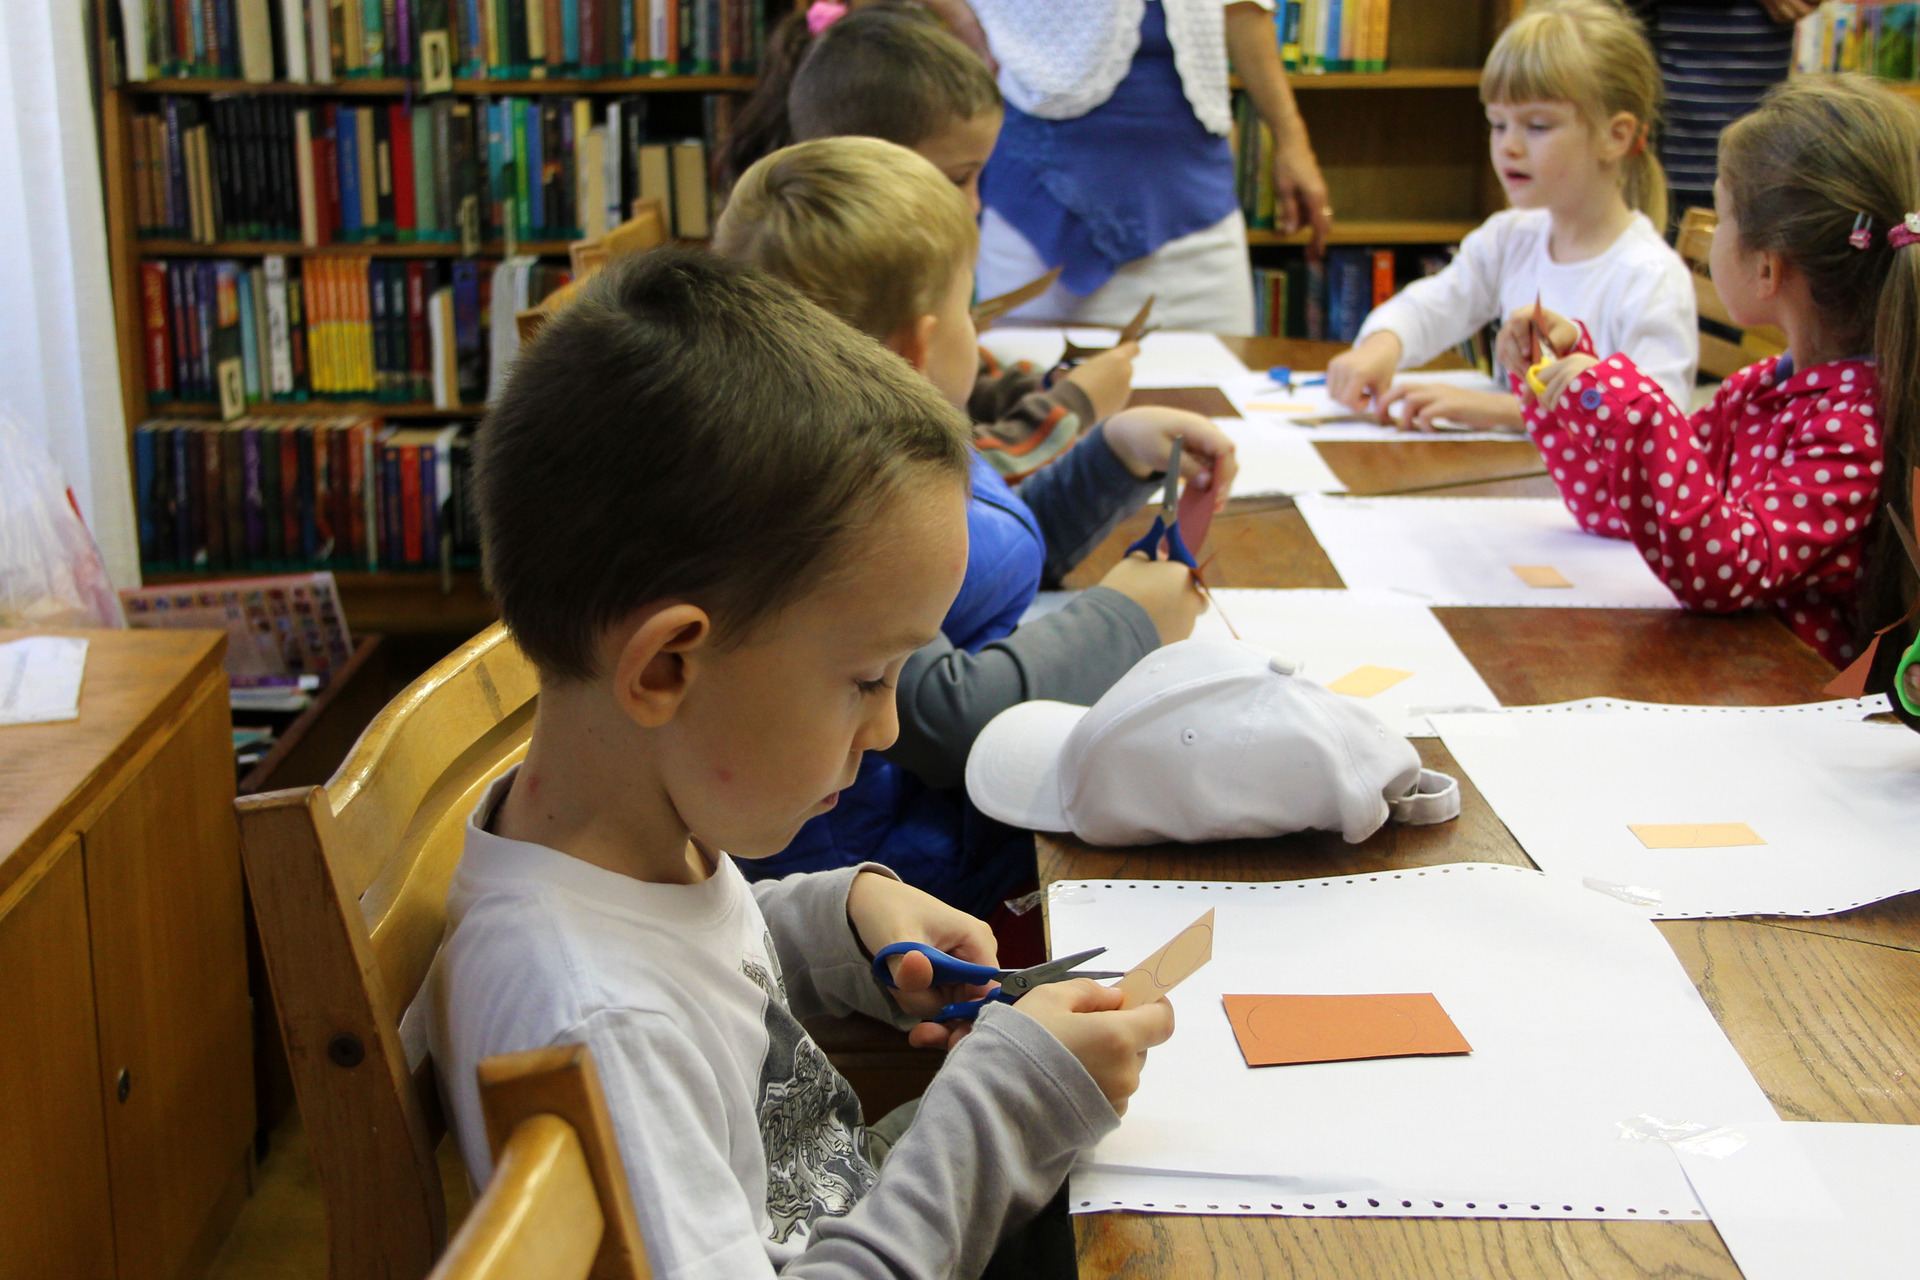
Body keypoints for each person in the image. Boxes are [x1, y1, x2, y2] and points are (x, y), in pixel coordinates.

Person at [426, 247, 1176, 1278]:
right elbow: (654, 1004)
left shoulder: (625, 835)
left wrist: (838, 919)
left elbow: (689, 957)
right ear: (665, 666)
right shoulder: (597, 1022)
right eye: (867, 679)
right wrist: (1007, 1107)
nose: (886, 729)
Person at [713, 137, 1234, 926]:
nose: (980, 331)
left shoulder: (874, 436)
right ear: (915, 348)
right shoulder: (822, 506)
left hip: (939, 823)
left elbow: (976, 562)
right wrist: (1128, 620)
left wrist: (1109, 461)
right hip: (892, 875)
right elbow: (949, 717)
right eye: (971, 307)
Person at [1510, 74, 1920, 670]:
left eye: (1720, 216)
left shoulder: (1853, 429)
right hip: (1738, 681)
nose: (1704, 235)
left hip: (1796, 704)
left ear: (1766, 269)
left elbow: (1724, 570)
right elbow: (1621, 505)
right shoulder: (1764, 390)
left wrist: (1633, 410)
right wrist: (1557, 385)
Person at [780, 1, 1141, 480]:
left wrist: (1032, 390)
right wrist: (1072, 407)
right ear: (869, 162)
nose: (974, 204)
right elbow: (944, 478)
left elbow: (947, 383)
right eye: (957, 179)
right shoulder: (842, 296)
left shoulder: (899, 261)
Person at [1327, 0, 1697, 434]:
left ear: (1616, 136)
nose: (1508, 147)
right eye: (1498, 124)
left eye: (1537, 126)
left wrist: (1502, 410)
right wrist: (1383, 344)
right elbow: (1435, 304)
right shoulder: (1512, 237)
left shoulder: (1649, 277)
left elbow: (1658, 421)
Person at [957, 0, 1332, 334]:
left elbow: (1241, 8)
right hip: (1043, 205)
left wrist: (1292, 140)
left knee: (1219, 380)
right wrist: (964, 18)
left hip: (1195, 199)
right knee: (1036, 385)